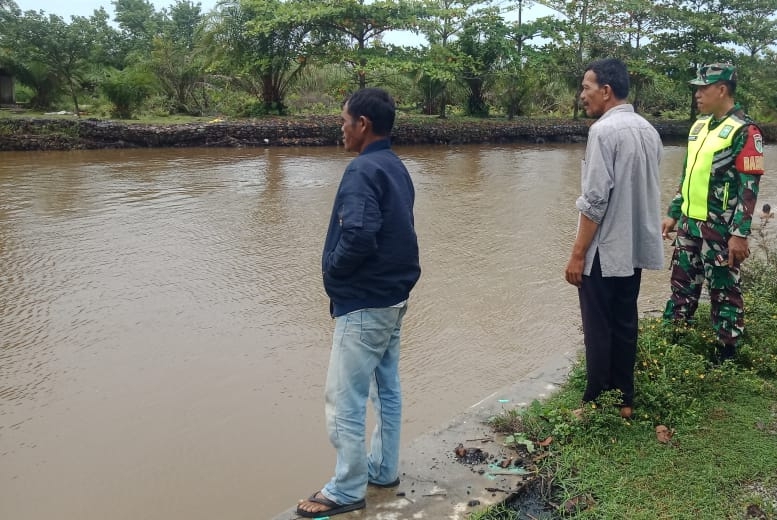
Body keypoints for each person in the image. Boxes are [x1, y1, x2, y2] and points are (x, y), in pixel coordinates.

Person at [295, 87, 421, 518]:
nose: (341, 128)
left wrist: (332, 270)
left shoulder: (362, 170)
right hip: (393, 296)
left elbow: (360, 234)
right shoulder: (395, 166)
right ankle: (383, 469)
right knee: (386, 387)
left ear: (363, 125)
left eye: (344, 120)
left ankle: (347, 488)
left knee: (342, 398)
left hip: (365, 301)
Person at [564, 58, 664, 419]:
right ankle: (624, 401)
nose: (582, 96)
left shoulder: (603, 132)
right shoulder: (648, 130)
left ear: (606, 91)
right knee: (624, 322)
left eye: (586, 88)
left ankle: (594, 404)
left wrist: (578, 255)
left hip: (605, 251)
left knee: (597, 327)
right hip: (633, 249)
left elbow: (594, 202)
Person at [662, 63, 764, 362]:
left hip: (720, 229)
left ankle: (727, 354)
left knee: (724, 290)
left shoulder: (745, 131)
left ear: (722, 90)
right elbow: (687, 176)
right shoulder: (699, 128)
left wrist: (739, 234)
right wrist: (674, 212)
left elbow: (750, 188)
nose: (697, 94)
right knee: (682, 284)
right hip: (689, 224)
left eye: (703, 88)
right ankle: (674, 342)